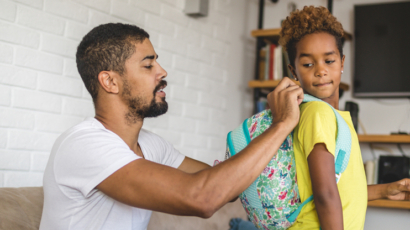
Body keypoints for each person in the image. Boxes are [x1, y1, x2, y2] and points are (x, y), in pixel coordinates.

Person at [39, 23, 304, 230]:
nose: (162, 71)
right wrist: (281, 124)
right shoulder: (84, 145)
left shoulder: (152, 145)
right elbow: (203, 198)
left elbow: (228, 191)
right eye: (148, 64)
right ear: (110, 82)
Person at [278, 6, 410, 230]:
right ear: (293, 71)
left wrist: (386, 190)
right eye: (308, 64)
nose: (321, 71)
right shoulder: (317, 114)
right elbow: (325, 194)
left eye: (329, 61)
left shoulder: (334, 117)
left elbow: (341, 189)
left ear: (342, 62)